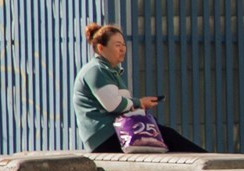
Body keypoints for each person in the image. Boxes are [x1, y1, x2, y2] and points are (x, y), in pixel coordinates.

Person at [72, 24, 200, 152]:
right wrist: (139, 102)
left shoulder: (109, 71)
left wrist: (138, 105)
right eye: (117, 45)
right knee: (169, 137)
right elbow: (113, 105)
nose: (123, 49)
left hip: (116, 132)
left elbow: (121, 104)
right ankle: (209, 160)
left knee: (167, 136)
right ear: (101, 48)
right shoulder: (96, 70)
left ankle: (207, 159)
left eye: (123, 45)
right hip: (105, 137)